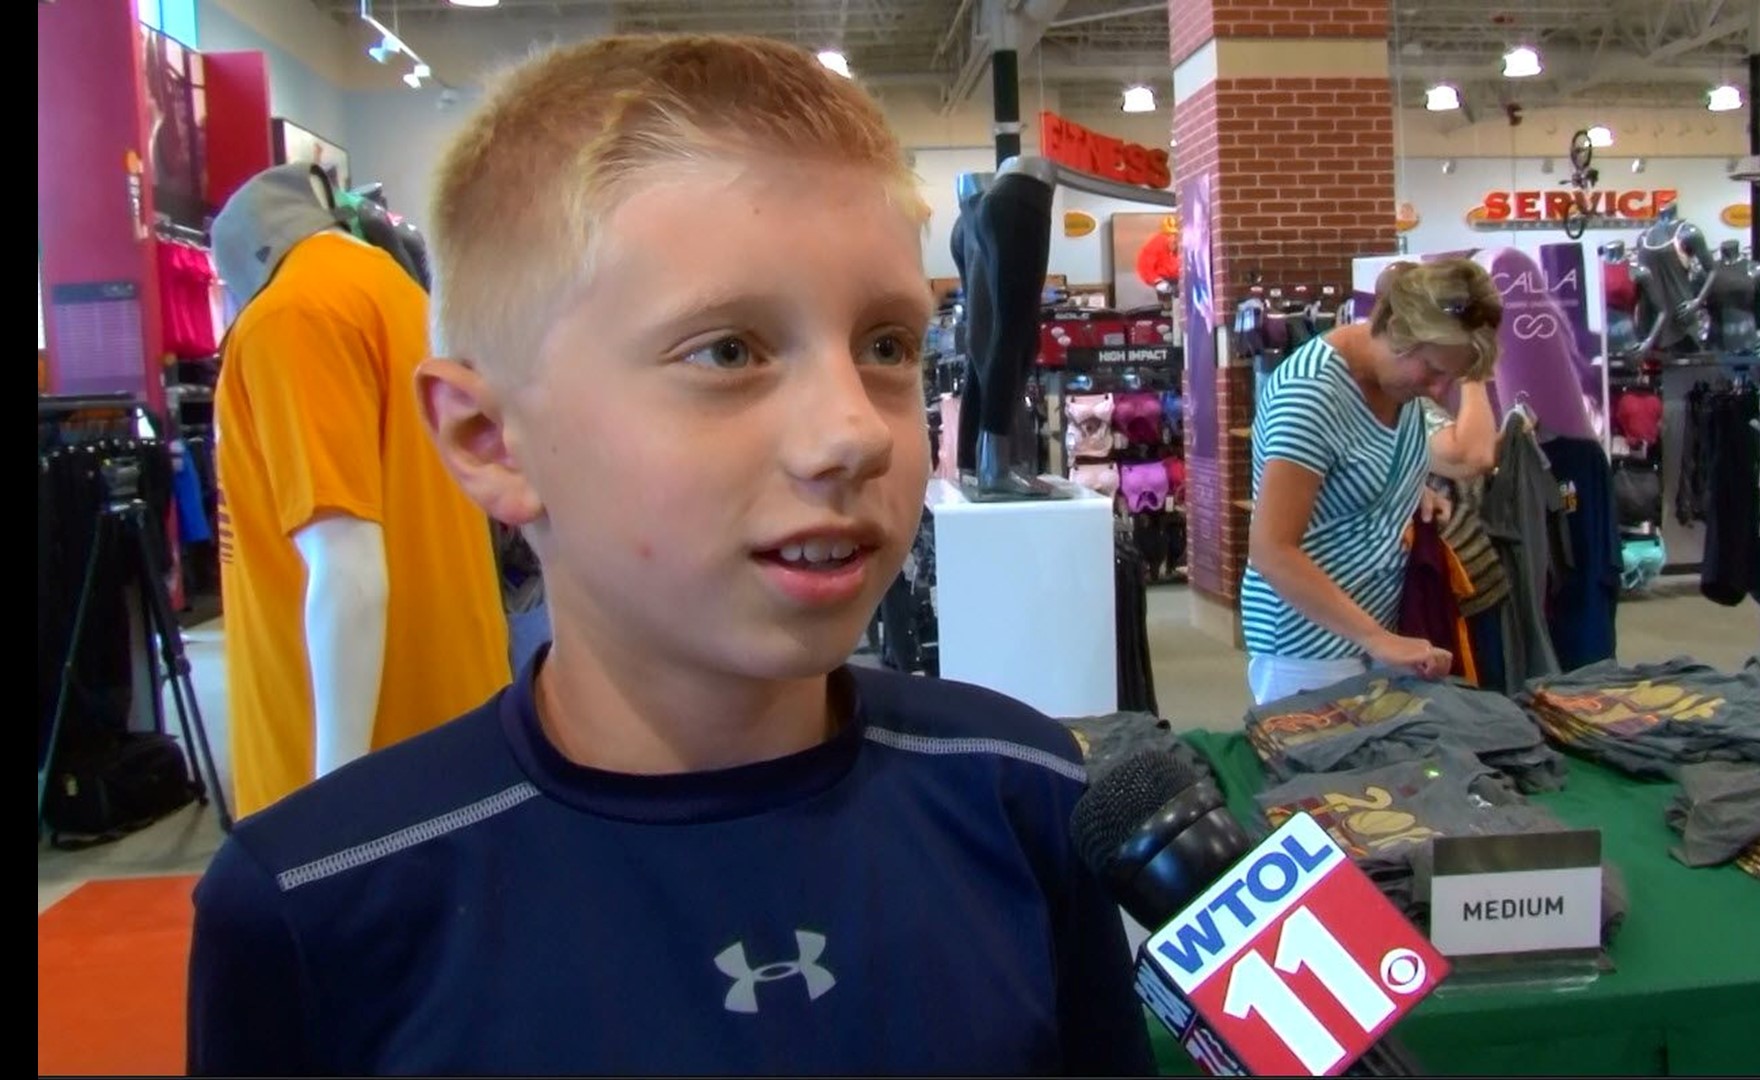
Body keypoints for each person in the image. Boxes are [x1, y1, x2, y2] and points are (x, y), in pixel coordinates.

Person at [187, 34, 1154, 1077]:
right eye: (727, 352)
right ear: (489, 440)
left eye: (885, 346)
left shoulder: (1026, 799)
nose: (856, 432)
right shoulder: (316, 904)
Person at [208, 163, 511, 818]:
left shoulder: (291, 316)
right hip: (452, 736)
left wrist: (332, 807)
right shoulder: (399, 296)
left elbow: (348, 570)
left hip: (355, 776)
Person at [1241, 258, 1504, 706]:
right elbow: (1271, 550)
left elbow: (1462, 456)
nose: (1440, 390)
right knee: (1329, 775)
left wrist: (1403, 491)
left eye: (1451, 377)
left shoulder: (1400, 387)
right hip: (1310, 647)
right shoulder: (1310, 394)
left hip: (1376, 630)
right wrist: (1377, 638)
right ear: (1397, 331)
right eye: (1434, 371)